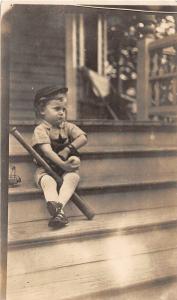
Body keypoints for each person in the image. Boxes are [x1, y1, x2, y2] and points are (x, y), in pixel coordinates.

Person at [32, 86, 87, 228]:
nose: (62, 113)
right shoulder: (41, 130)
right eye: (57, 109)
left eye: (64, 110)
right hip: (46, 169)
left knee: (74, 177)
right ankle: (59, 211)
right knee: (48, 182)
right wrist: (63, 165)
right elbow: (48, 152)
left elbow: (83, 138)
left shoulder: (67, 126)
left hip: (64, 169)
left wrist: (69, 149)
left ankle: (58, 211)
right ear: (43, 110)